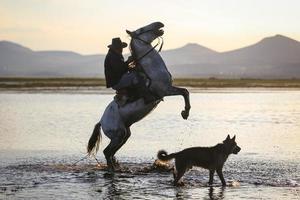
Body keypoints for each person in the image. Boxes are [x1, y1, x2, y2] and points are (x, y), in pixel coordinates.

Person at [104, 37, 155, 106]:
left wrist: (130, 65)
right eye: (120, 47)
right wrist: (128, 62)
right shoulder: (112, 56)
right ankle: (147, 97)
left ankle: (134, 96)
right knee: (136, 76)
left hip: (117, 80)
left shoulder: (115, 55)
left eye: (121, 47)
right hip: (116, 82)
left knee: (134, 74)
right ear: (116, 48)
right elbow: (119, 70)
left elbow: (121, 68)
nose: (121, 49)